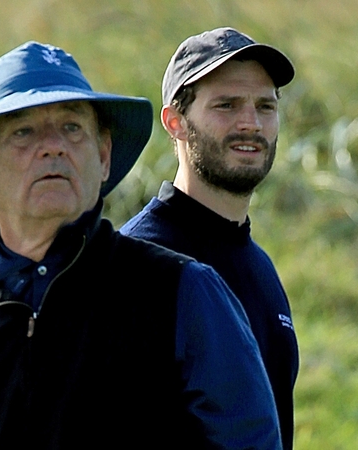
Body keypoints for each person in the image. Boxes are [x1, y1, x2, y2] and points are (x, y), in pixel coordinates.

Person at [0, 41, 282, 449]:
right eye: (23, 131)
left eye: (72, 128)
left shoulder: (183, 293)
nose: (53, 147)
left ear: (103, 155)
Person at [120, 27, 299, 449]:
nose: (251, 124)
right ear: (175, 122)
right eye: (226, 105)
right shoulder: (135, 266)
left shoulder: (259, 267)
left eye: (265, 106)